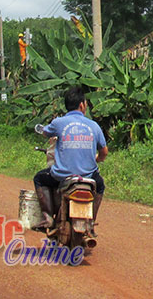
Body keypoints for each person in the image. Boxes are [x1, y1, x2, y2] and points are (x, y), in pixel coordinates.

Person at [32, 86, 108, 230]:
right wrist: (97, 159)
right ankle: (91, 222)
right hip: (89, 176)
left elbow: (45, 132)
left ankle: (48, 217)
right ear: (82, 105)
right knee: (100, 186)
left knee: (39, 178)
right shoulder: (94, 126)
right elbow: (104, 151)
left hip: (63, 176)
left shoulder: (59, 123)